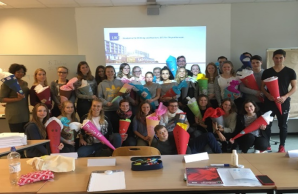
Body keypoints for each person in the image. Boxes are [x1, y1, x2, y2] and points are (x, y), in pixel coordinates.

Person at [261, 49, 297, 152]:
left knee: (283, 125)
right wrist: (267, 95)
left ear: (284, 58)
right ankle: (267, 144)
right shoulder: (267, 72)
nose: (278, 60)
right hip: (269, 102)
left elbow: (294, 87)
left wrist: (285, 97)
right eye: (276, 58)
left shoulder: (290, 71)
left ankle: (282, 146)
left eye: (280, 57)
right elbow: (262, 87)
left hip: (283, 102)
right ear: (273, 58)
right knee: (268, 124)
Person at [150, 125, 221, 155]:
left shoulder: (173, 134)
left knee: (209, 135)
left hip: (189, 147)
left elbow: (185, 137)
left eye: (165, 131)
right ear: (157, 135)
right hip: (181, 156)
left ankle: (220, 155)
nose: (164, 133)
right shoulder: (157, 146)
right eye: (161, 133)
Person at [0, 64, 29, 133]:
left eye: (22, 72)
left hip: (25, 114)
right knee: (17, 137)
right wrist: (17, 99)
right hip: (14, 114)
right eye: (18, 72)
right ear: (13, 72)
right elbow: (1, 99)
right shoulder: (7, 83)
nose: (21, 73)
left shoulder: (25, 83)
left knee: (26, 136)